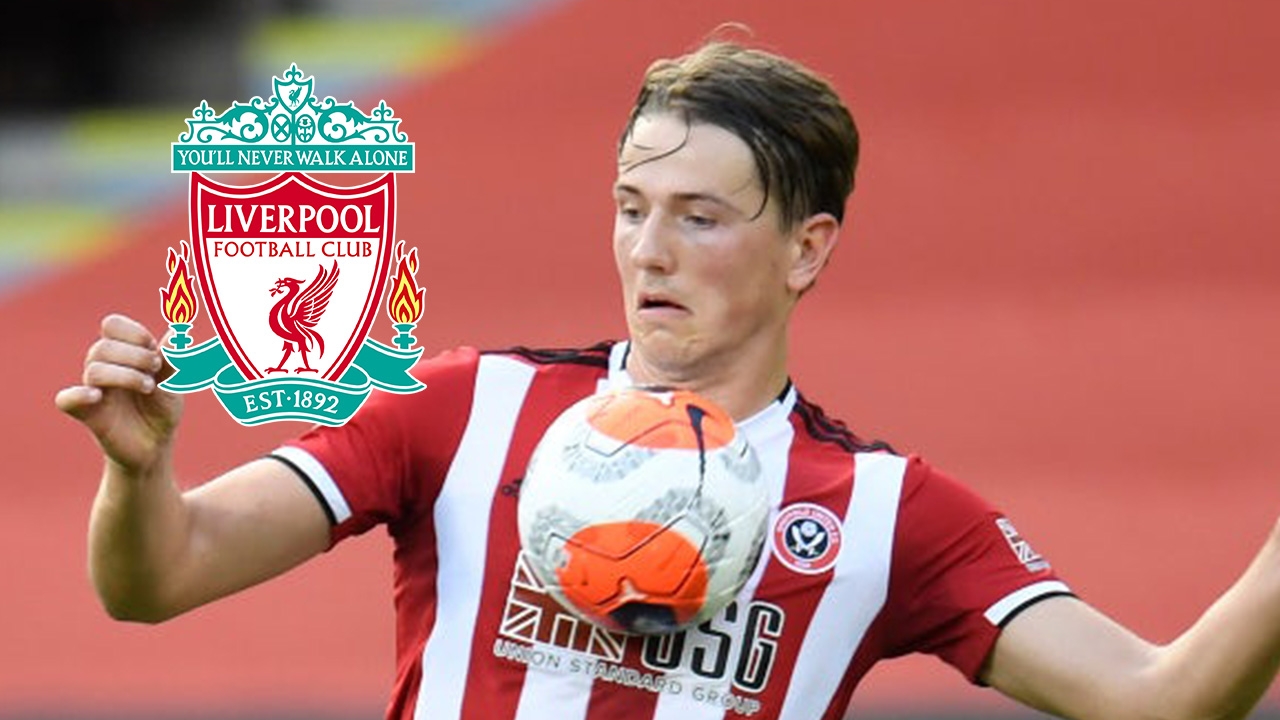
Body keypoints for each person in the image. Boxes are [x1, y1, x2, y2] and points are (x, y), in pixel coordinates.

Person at [56, 40, 1280, 720]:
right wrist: (141, 473)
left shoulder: (884, 514)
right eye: (631, 206)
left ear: (805, 250)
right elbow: (159, 578)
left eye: (699, 216)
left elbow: (1163, 702)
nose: (648, 249)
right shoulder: (461, 408)